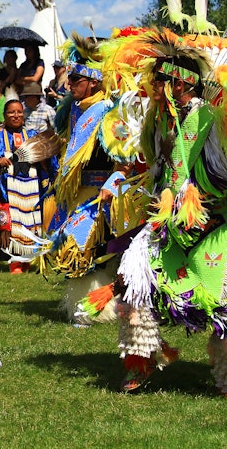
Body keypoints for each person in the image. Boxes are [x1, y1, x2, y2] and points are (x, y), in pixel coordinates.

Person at [111, 30, 227, 398]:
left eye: (159, 79)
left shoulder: (211, 119)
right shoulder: (163, 121)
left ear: (180, 82)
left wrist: (201, 201)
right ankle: (139, 361)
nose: (152, 85)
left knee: (226, 303)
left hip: (213, 223)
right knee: (133, 283)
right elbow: (161, 171)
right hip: (168, 223)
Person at [43, 34, 128, 325]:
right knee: (82, 249)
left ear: (93, 81)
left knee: (82, 248)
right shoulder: (73, 110)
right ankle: (92, 304)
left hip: (101, 191)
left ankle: (95, 308)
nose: (69, 85)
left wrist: (113, 184)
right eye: (69, 79)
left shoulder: (108, 110)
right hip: (76, 192)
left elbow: (126, 155)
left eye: (76, 79)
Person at [0, 100, 55, 271]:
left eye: (19, 112)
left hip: (32, 187)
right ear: (5, 115)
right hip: (8, 188)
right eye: (12, 112)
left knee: (31, 222)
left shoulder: (33, 135)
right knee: (13, 223)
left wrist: (45, 157)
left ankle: (28, 260)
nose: (16, 115)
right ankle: (15, 262)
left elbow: (49, 157)